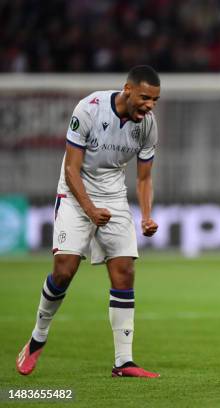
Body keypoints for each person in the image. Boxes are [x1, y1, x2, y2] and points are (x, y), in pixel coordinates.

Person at [16, 65, 161, 378]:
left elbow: (145, 177)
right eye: (146, 98)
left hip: (113, 195)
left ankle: (123, 362)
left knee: (124, 271)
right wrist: (90, 209)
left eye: (155, 101)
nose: (150, 106)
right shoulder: (89, 109)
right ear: (128, 89)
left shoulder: (148, 125)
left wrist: (147, 215)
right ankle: (37, 338)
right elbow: (71, 169)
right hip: (75, 191)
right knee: (65, 268)